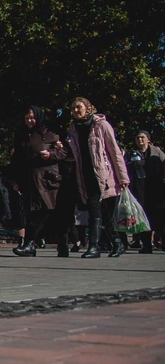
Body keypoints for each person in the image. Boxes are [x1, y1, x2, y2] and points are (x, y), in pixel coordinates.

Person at [67, 97, 128, 258]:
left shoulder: (101, 125)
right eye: (73, 108)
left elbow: (114, 151)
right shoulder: (74, 128)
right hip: (85, 174)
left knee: (96, 209)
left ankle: (93, 246)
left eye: (78, 107)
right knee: (104, 214)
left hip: (103, 175)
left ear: (87, 108)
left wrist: (123, 177)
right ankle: (117, 243)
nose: (75, 111)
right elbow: (74, 154)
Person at [13, 106, 69, 257]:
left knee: (51, 212)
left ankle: (60, 243)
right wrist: (15, 179)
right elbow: (17, 157)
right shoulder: (21, 133)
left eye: (32, 118)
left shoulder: (50, 132)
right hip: (29, 178)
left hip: (49, 179)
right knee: (34, 211)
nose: (30, 121)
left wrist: (50, 154)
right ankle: (30, 244)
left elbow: (65, 152)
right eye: (26, 118)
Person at [126, 131, 164, 253]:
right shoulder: (131, 153)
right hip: (139, 189)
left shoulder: (157, 152)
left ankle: (161, 242)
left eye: (142, 137)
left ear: (148, 139)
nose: (140, 140)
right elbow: (124, 166)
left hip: (156, 188)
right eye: (137, 137)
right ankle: (146, 245)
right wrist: (135, 164)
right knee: (143, 216)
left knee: (159, 216)